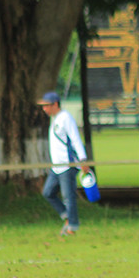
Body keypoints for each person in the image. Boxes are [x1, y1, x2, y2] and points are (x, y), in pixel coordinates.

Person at [38, 91, 91, 236]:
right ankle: (67, 217)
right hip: (56, 166)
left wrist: (83, 160)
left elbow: (75, 139)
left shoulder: (66, 118)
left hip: (68, 165)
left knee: (68, 197)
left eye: (47, 106)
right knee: (48, 193)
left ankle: (72, 227)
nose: (44, 109)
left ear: (55, 104)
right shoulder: (55, 119)